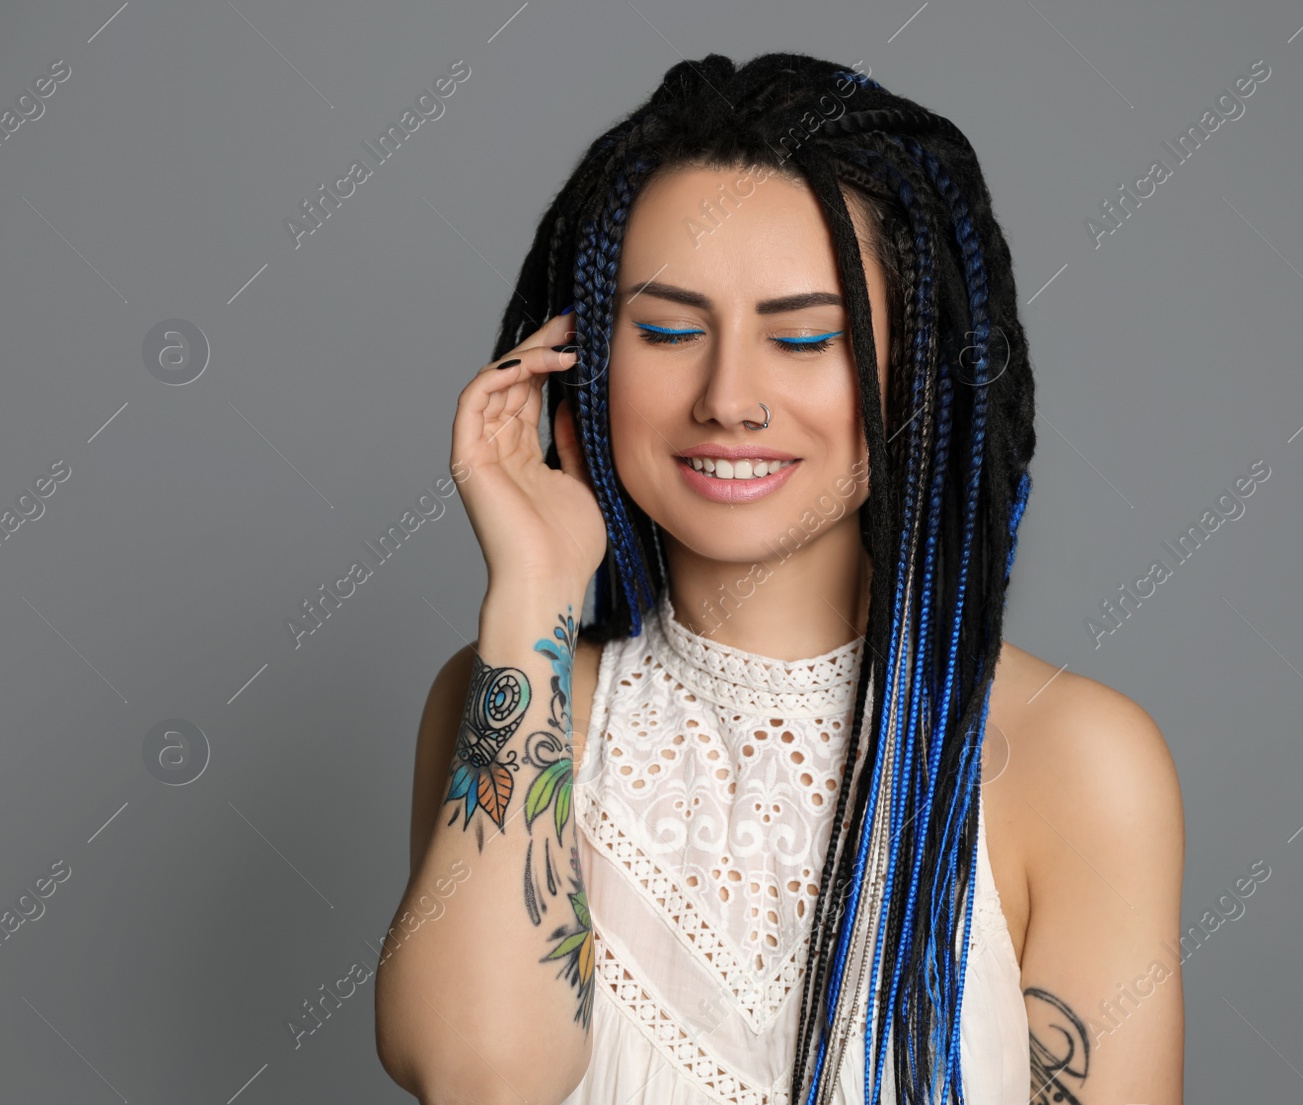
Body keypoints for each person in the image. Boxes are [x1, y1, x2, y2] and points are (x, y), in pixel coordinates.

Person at [374, 51, 1184, 1105]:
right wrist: (531, 590)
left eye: (804, 338)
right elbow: (476, 1079)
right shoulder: (510, 699)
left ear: (917, 369)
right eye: (667, 331)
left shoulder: (1076, 759)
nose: (730, 399)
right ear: (583, 359)